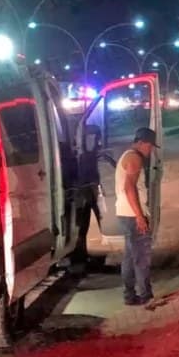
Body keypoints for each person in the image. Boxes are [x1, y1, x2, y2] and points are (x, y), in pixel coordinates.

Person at [116, 127, 159, 306]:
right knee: (141, 256)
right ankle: (145, 296)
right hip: (132, 215)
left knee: (129, 257)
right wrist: (140, 217)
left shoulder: (127, 155)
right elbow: (129, 188)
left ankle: (129, 295)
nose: (150, 151)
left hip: (125, 214)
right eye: (149, 146)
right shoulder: (134, 158)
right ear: (141, 143)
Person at [69, 124, 115, 272]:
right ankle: (78, 257)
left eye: (94, 137)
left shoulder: (94, 154)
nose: (94, 141)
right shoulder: (85, 156)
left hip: (90, 190)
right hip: (86, 191)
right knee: (83, 225)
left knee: (86, 224)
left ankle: (79, 256)